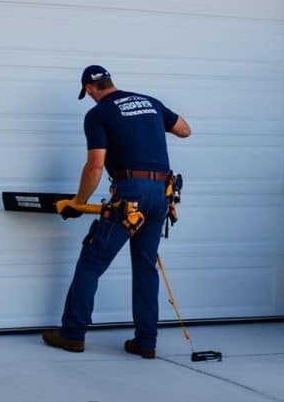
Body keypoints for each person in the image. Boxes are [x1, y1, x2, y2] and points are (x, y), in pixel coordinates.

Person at [42, 65, 191, 359]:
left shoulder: (98, 114)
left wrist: (77, 202)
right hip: (160, 193)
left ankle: (72, 334)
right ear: (111, 81)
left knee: (92, 262)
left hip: (130, 195)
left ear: (87, 89)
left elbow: (95, 166)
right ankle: (146, 342)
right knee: (145, 267)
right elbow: (185, 130)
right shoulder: (150, 102)